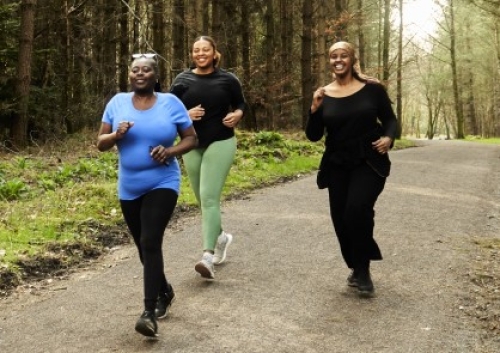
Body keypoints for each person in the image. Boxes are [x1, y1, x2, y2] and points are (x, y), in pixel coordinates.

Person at [97, 54, 197, 337]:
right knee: (143, 247)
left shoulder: (170, 103)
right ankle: (164, 289)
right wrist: (116, 135)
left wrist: (170, 151)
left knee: (150, 241)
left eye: (146, 70)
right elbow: (99, 143)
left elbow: (192, 138)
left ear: (155, 76)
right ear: (130, 75)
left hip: (163, 181)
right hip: (129, 186)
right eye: (135, 70)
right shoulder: (117, 103)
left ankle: (148, 312)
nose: (140, 73)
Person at [305, 41, 397, 296]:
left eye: (343, 55)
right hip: (337, 161)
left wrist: (389, 138)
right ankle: (355, 267)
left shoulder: (372, 89)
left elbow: (389, 119)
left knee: (357, 209)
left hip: (369, 158)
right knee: (341, 219)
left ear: (352, 59)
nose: (338, 59)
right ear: (329, 61)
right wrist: (314, 108)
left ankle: (364, 269)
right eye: (333, 56)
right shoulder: (324, 94)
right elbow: (313, 135)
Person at [169, 36, 246, 280]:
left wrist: (237, 114)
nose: (201, 54)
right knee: (202, 201)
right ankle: (221, 237)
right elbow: (168, 109)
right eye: (196, 50)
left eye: (206, 50)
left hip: (221, 141)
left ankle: (207, 256)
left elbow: (241, 103)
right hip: (191, 142)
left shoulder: (228, 79)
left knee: (210, 198)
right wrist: (185, 113)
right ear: (192, 54)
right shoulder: (182, 80)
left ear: (215, 53)